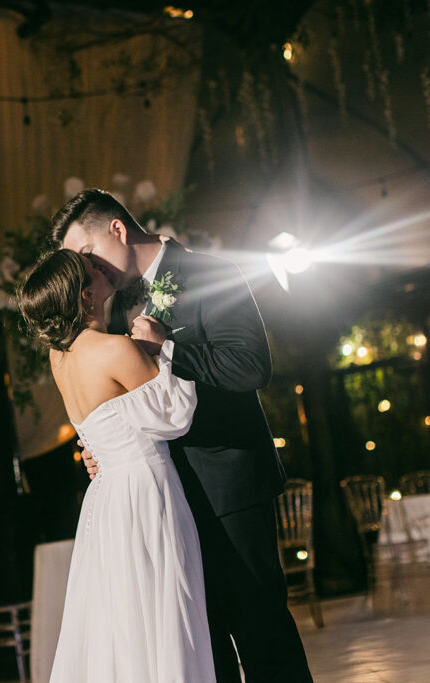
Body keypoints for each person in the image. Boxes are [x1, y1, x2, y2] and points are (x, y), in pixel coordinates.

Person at [49, 189, 312, 682]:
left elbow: (252, 366)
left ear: (118, 231)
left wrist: (169, 347)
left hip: (229, 489)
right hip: (167, 504)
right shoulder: (115, 302)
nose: (86, 271)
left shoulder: (211, 271)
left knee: (262, 636)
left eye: (86, 255)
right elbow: (125, 395)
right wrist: (103, 448)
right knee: (200, 651)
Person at [18, 248, 215, 682]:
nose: (104, 270)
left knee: (124, 621)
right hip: (147, 493)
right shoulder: (114, 349)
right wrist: (162, 346)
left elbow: (106, 424)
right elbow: (175, 415)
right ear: (86, 295)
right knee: (163, 610)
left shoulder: (60, 358)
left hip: (108, 500)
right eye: (94, 271)